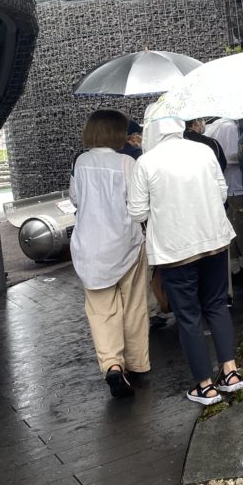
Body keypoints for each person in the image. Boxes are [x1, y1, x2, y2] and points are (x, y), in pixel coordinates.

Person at [128, 111, 243, 404]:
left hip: (174, 250)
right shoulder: (203, 151)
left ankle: (205, 386)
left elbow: (137, 212)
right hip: (214, 240)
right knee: (216, 305)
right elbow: (221, 193)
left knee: (189, 316)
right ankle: (230, 373)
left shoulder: (146, 162)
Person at [69, 110, 149, 398]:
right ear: (118, 133)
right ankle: (136, 363)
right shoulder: (127, 162)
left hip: (90, 246)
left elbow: (75, 199)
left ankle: (113, 365)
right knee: (134, 305)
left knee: (101, 310)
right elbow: (138, 204)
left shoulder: (80, 162)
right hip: (126, 243)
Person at [206, 117, 243, 275]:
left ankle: (234, 264)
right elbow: (230, 156)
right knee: (239, 226)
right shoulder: (229, 127)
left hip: (225, 184)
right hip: (234, 185)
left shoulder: (215, 125)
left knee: (230, 224)